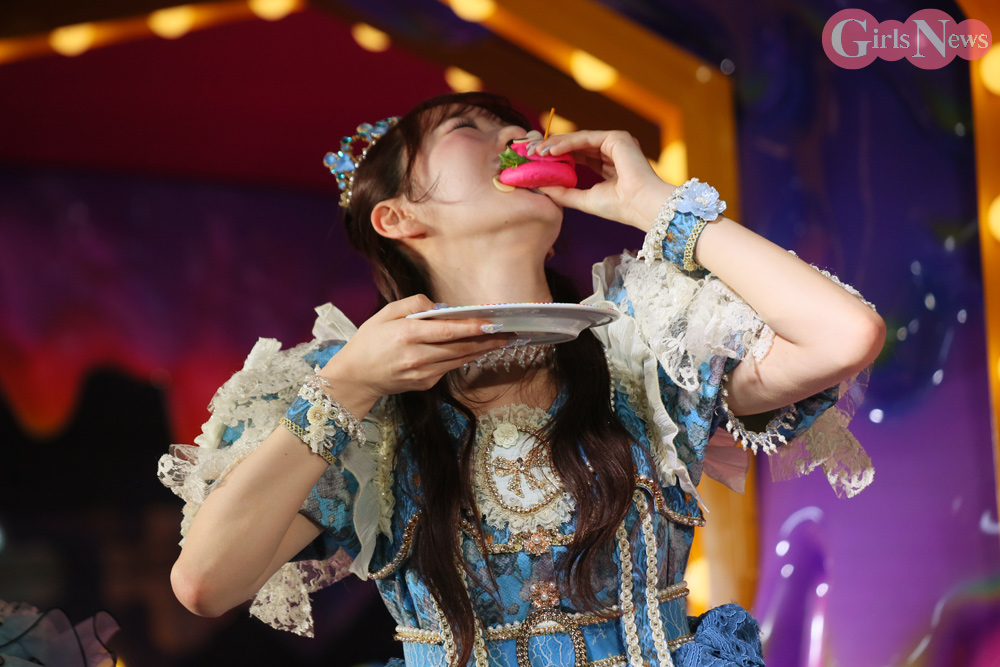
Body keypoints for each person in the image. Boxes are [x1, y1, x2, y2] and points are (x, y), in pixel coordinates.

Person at [158, 91, 884, 666]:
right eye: (468, 127)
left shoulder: (644, 345)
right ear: (398, 217)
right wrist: (347, 387)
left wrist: (654, 205)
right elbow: (204, 584)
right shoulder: (354, 395)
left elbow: (845, 334)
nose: (518, 135)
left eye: (517, 126)